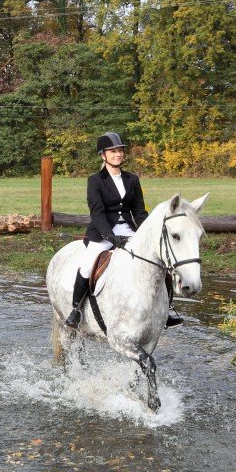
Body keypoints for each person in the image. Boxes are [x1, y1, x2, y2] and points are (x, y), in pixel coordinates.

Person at [65, 132, 182, 329]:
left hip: (129, 230)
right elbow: (97, 214)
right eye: (113, 151)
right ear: (103, 155)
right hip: (103, 232)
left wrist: (148, 233)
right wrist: (111, 237)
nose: (118, 154)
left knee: (159, 261)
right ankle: (76, 309)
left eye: (120, 150)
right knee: (87, 266)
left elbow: (139, 211)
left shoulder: (132, 179)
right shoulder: (95, 180)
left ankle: (166, 308)